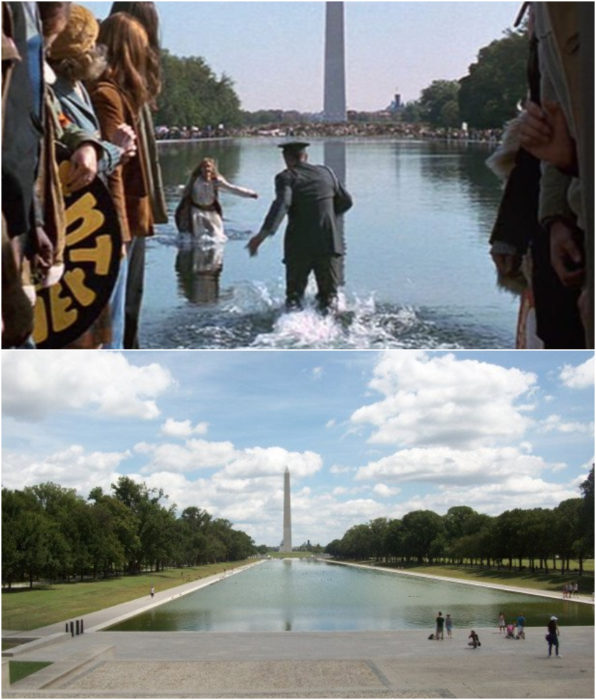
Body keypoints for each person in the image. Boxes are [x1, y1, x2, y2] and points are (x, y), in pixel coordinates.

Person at [46, 3, 137, 348]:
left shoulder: (76, 88)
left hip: (95, 231)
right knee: (87, 338)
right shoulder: (56, 91)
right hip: (77, 238)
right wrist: (114, 150)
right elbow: (68, 167)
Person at [88, 12, 157, 348]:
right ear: (128, 51)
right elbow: (112, 171)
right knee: (110, 324)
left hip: (123, 219)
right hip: (116, 223)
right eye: (142, 49)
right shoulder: (107, 95)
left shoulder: (117, 94)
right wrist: (121, 232)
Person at [107, 2, 168, 349]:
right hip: (124, 212)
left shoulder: (134, 85)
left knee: (130, 300)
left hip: (134, 209)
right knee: (123, 302)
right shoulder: (111, 91)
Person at [247, 141, 352, 312]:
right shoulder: (327, 173)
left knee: (295, 298)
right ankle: (332, 330)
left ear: (286, 158)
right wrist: (326, 218)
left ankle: (292, 327)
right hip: (329, 242)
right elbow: (346, 201)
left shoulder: (286, 177)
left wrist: (261, 236)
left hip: (299, 245)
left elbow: (282, 205)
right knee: (330, 297)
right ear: (306, 156)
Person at [177, 157, 258, 244]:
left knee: (217, 235)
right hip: (196, 210)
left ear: (212, 169)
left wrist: (250, 194)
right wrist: (181, 191)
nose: (206, 169)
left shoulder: (217, 181)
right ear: (201, 169)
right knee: (198, 237)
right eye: (204, 167)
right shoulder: (194, 180)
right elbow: (185, 191)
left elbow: (232, 189)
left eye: (209, 167)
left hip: (211, 211)